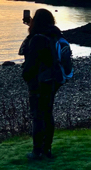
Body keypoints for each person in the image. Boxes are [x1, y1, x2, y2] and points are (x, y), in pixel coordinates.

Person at [19, 9, 62, 161]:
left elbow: (32, 63)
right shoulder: (53, 34)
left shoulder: (37, 38)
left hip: (38, 82)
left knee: (38, 117)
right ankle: (47, 149)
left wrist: (26, 75)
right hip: (51, 80)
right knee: (47, 115)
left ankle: (37, 152)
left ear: (36, 21)